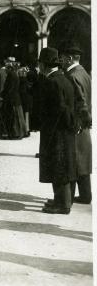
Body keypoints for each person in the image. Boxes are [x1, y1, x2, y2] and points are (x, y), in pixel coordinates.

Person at [37, 47, 77, 214]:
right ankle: (61, 200)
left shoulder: (52, 82)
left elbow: (58, 109)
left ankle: (63, 205)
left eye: (40, 64)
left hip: (56, 132)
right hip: (65, 130)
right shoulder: (64, 78)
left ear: (44, 65)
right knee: (64, 165)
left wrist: (49, 130)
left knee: (59, 166)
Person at [60, 44, 92, 205]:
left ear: (69, 58)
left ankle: (68, 198)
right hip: (83, 125)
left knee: (72, 160)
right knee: (83, 160)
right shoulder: (84, 73)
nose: (61, 61)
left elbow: (80, 102)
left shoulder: (72, 75)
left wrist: (79, 122)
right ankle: (86, 195)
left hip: (77, 125)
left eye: (63, 58)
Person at [1, 57, 26, 139]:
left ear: (9, 69)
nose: (5, 70)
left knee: (14, 117)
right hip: (16, 98)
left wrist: (3, 96)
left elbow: (9, 88)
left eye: (6, 69)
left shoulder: (11, 75)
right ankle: (20, 133)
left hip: (12, 99)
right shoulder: (14, 74)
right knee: (18, 116)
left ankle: (15, 133)